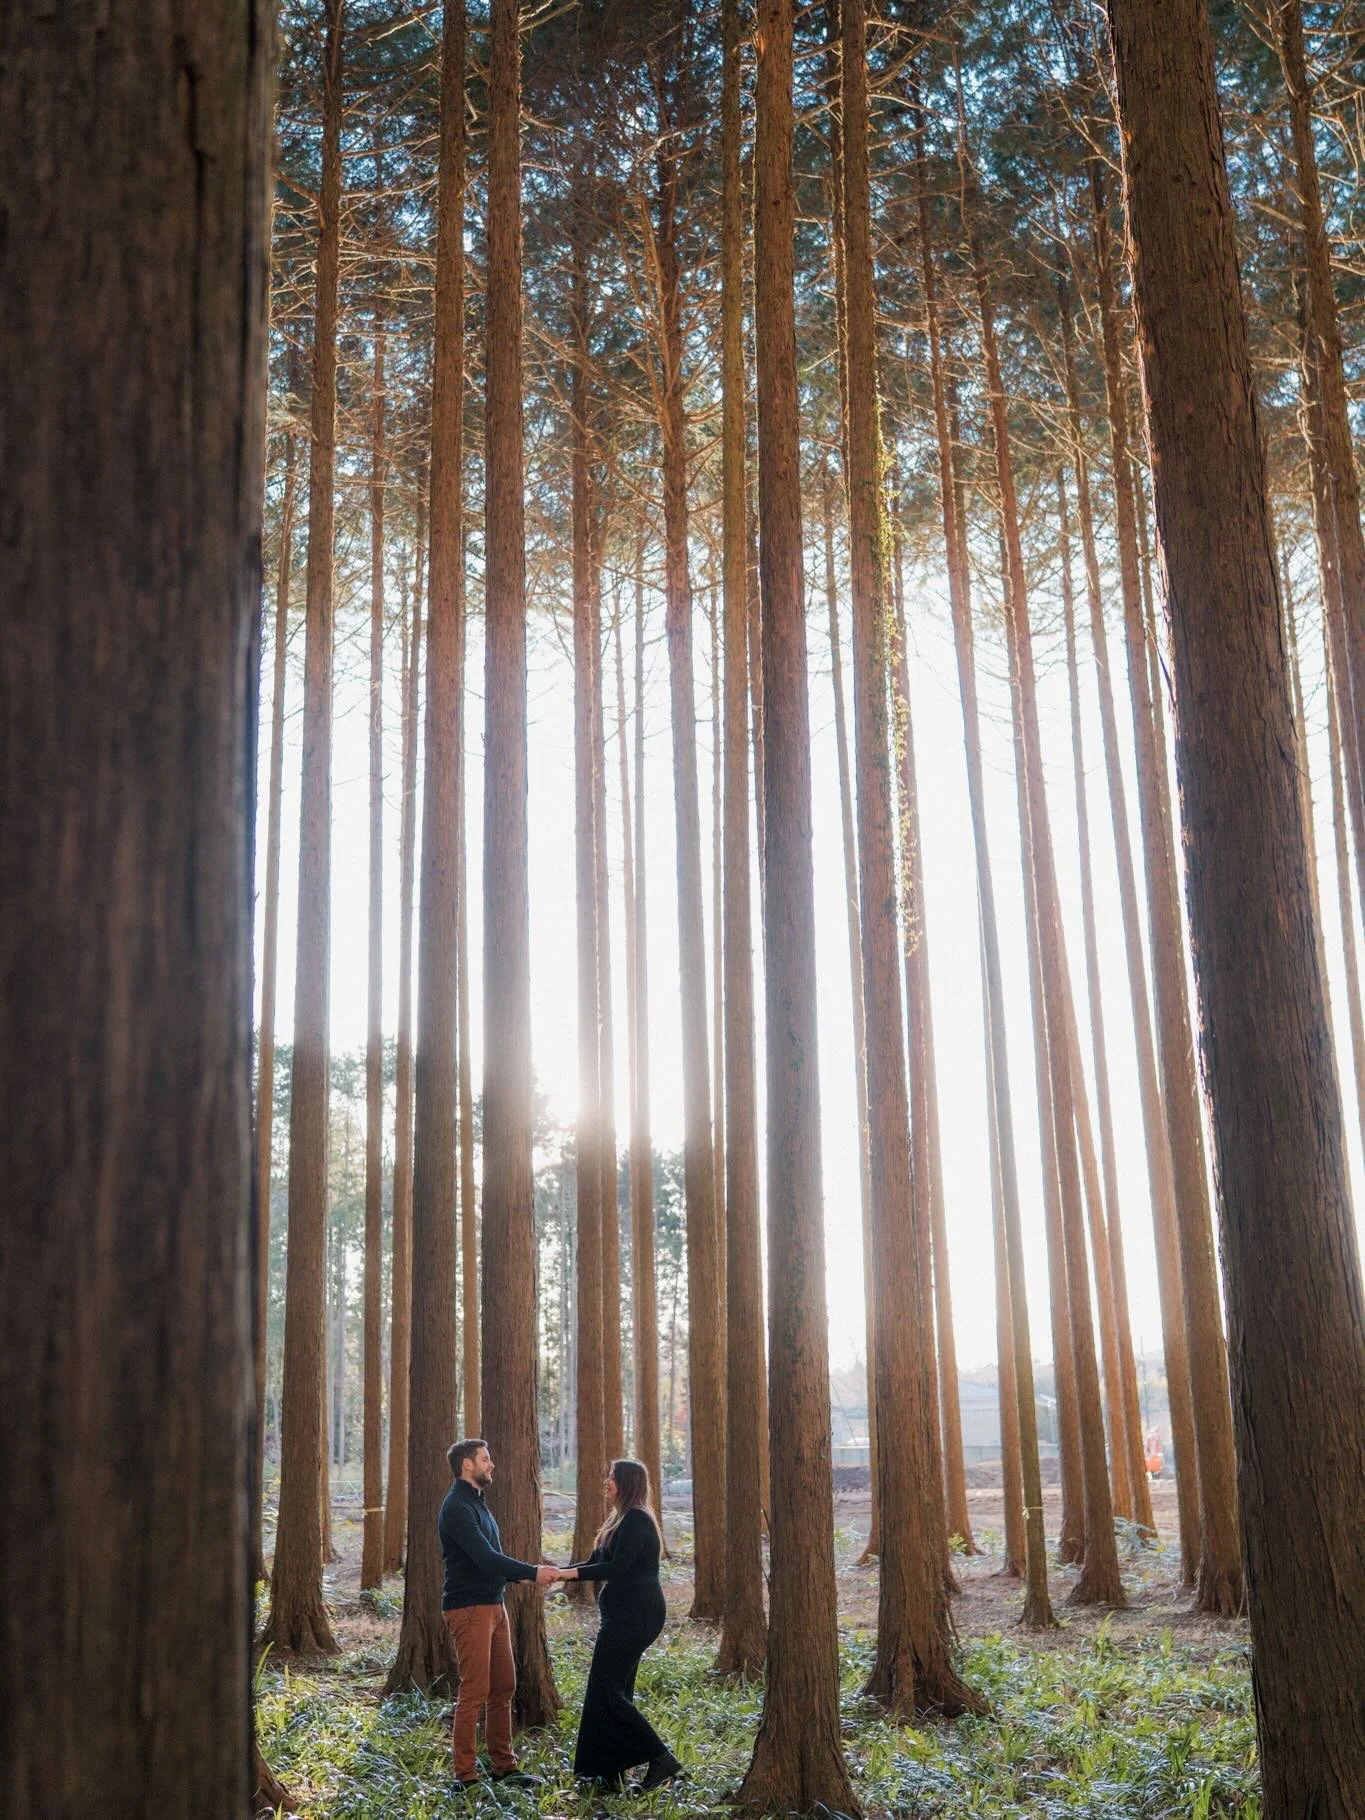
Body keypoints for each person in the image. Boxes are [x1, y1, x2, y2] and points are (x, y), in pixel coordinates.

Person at [552, 1458, 681, 1794]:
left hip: (635, 1617)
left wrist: (567, 1575)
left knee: (607, 1692)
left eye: (611, 1477)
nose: (606, 1482)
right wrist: (557, 1573)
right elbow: (596, 1563)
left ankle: (660, 1757)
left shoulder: (637, 1519)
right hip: (622, 1616)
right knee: (611, 1691)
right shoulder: (619, 1520)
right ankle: (608, 1771)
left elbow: (617, 1568)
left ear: (625, 1482)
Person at [438, 1438, 556, 1792]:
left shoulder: (478, 1503)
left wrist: (528, 1576)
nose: (491, 1464)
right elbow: (485, 1558)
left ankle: (504, 1767)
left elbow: (495, 1560)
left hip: (494, 1604)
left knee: (504, 1687)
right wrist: (533, 1572)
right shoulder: (456, 1507)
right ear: (466, 1465)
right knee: (474, 1691)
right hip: (468, 1609)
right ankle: (465, 1776)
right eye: (485, 1459)